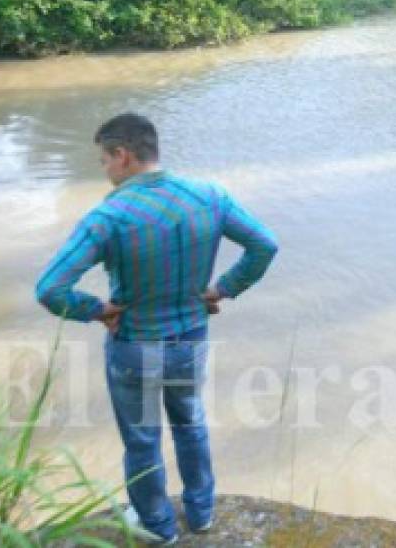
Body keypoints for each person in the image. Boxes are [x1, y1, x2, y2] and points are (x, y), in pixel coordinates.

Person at [36, 113, 279, 545]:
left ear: (122, 155)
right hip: (190, 339)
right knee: (190, 422)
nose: (105, 170)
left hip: (135, 347)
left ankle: (157, 525)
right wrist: (222, 289)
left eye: (104, 160)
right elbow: (264, 245)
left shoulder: (108, 217)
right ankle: (202, 513)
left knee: (142, 438)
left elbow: (51, 289)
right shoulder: (210, 196)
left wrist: (96, 310)